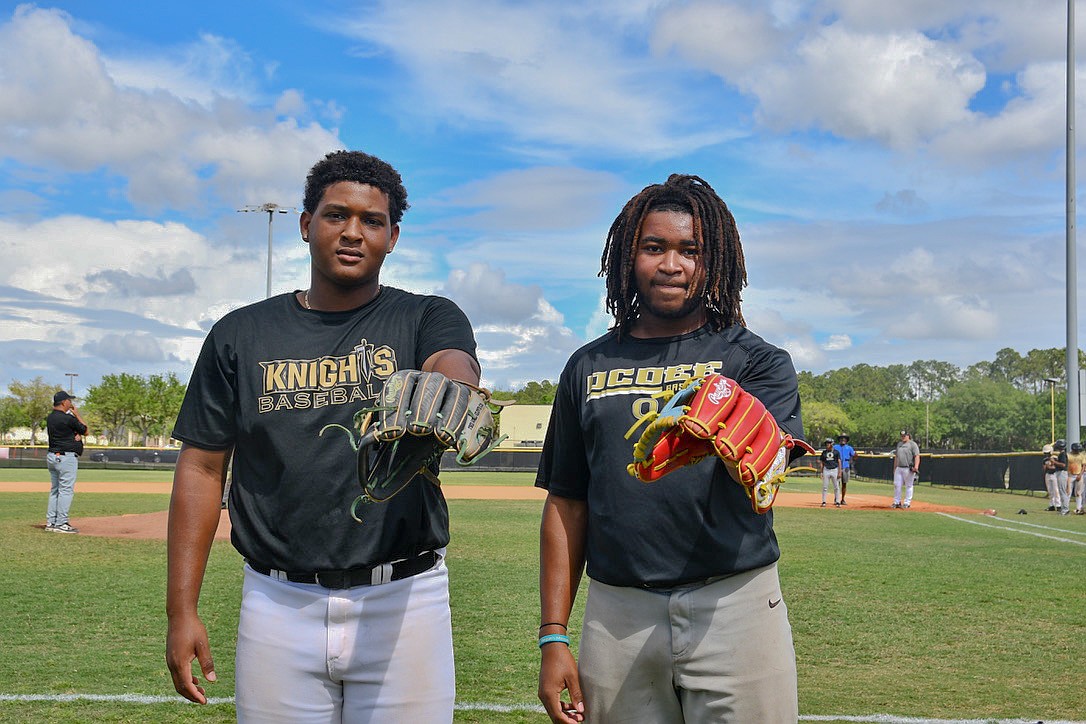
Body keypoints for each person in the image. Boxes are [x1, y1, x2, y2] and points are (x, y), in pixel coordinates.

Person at [165, 150, 481, 722]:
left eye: (372, 221)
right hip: (277, 601)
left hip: (404, 599)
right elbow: (202, 468)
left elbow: (452, 360)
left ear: (392, 237)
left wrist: (450, 387)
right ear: (307, 224)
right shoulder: (240, 333)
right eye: (337, 215)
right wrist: (180, 611)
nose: (353, 232)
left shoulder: (425, 316)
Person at [536, 174, 809, 723]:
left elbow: (769, 466)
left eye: (691, 250)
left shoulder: (757, 361)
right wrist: (553, 635)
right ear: (627, 256)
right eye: (654, 247)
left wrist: (745, 442)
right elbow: (566, 503)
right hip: (618, 612)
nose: (671, 265)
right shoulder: (587, 366)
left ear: (715, 261)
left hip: (734, 604)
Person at [45, 390, 88, 533]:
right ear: (64, 402)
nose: (71, 403)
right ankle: (61, 523)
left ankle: (51, 522)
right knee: (66, 491)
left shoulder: (50, 417)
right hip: (66, 458)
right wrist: (77, 414)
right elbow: (86, 430)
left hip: (52, 456)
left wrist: (73, 435)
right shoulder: (68, 418)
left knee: (55, 490)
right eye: (69, 400)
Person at [891, 430, 920, 509]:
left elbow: (917, 456)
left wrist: (916, 467)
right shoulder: (899, 444)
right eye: (902, 436)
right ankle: (897, 502)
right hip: (899, 467)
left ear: (908, 436)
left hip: (908, 468)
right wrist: (894, 468)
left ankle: (907, 503)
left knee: (909, 485)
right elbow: (896, 457)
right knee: (897, 485)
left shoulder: (912, 444)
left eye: (904, 436)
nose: (903, 437)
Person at [834, 433, 856, 505]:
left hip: (846, 467)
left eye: (844, 438)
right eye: (841, 438)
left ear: (846, 440)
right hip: (837, 467)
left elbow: (854, 456)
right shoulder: (835, 447)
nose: (843, 439)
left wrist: (856, 455)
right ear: (839, 439)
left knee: (844, 484)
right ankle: (836, 499)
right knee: (837, 484)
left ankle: (842, 499)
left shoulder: (849, 448)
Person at [819, 437, 841, 507]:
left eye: (829, 443)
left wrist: (839, 472)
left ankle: (837, 501)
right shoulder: (824, 452)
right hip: (826, 470)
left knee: (836, 487)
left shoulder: (836, 452)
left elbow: (839, 462)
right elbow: (822, 463)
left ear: (832, 444)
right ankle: (824, 501)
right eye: (826, 444)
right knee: (825, 487)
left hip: (834, 470)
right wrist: (821, 472)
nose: (827, 445)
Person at [1068, 442, 1085, 515]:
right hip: (1070, 475)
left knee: (1078, 493)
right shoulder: (1068, 455)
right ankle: (1066, 508)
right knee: (1068, 492)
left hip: (1078, 475)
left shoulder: (1081, 456)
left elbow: (1083, 466)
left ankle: (1078, 508)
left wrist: (1080, 475)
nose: (1077, 451)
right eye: (1076, 450)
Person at [1042, 443, 1059, 511]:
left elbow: (1055, 467)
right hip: (1048, 474)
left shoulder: (1055, 458)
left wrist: (1051, 464)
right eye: (1045, 453)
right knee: (1050, 491)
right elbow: (1044, 468)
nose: (1047, 454)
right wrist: (1047, 467)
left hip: (1055, 474)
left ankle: (1058, 505)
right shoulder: (1045, 460)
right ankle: (1051, 505)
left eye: (1048, 453)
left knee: (1056, 490)